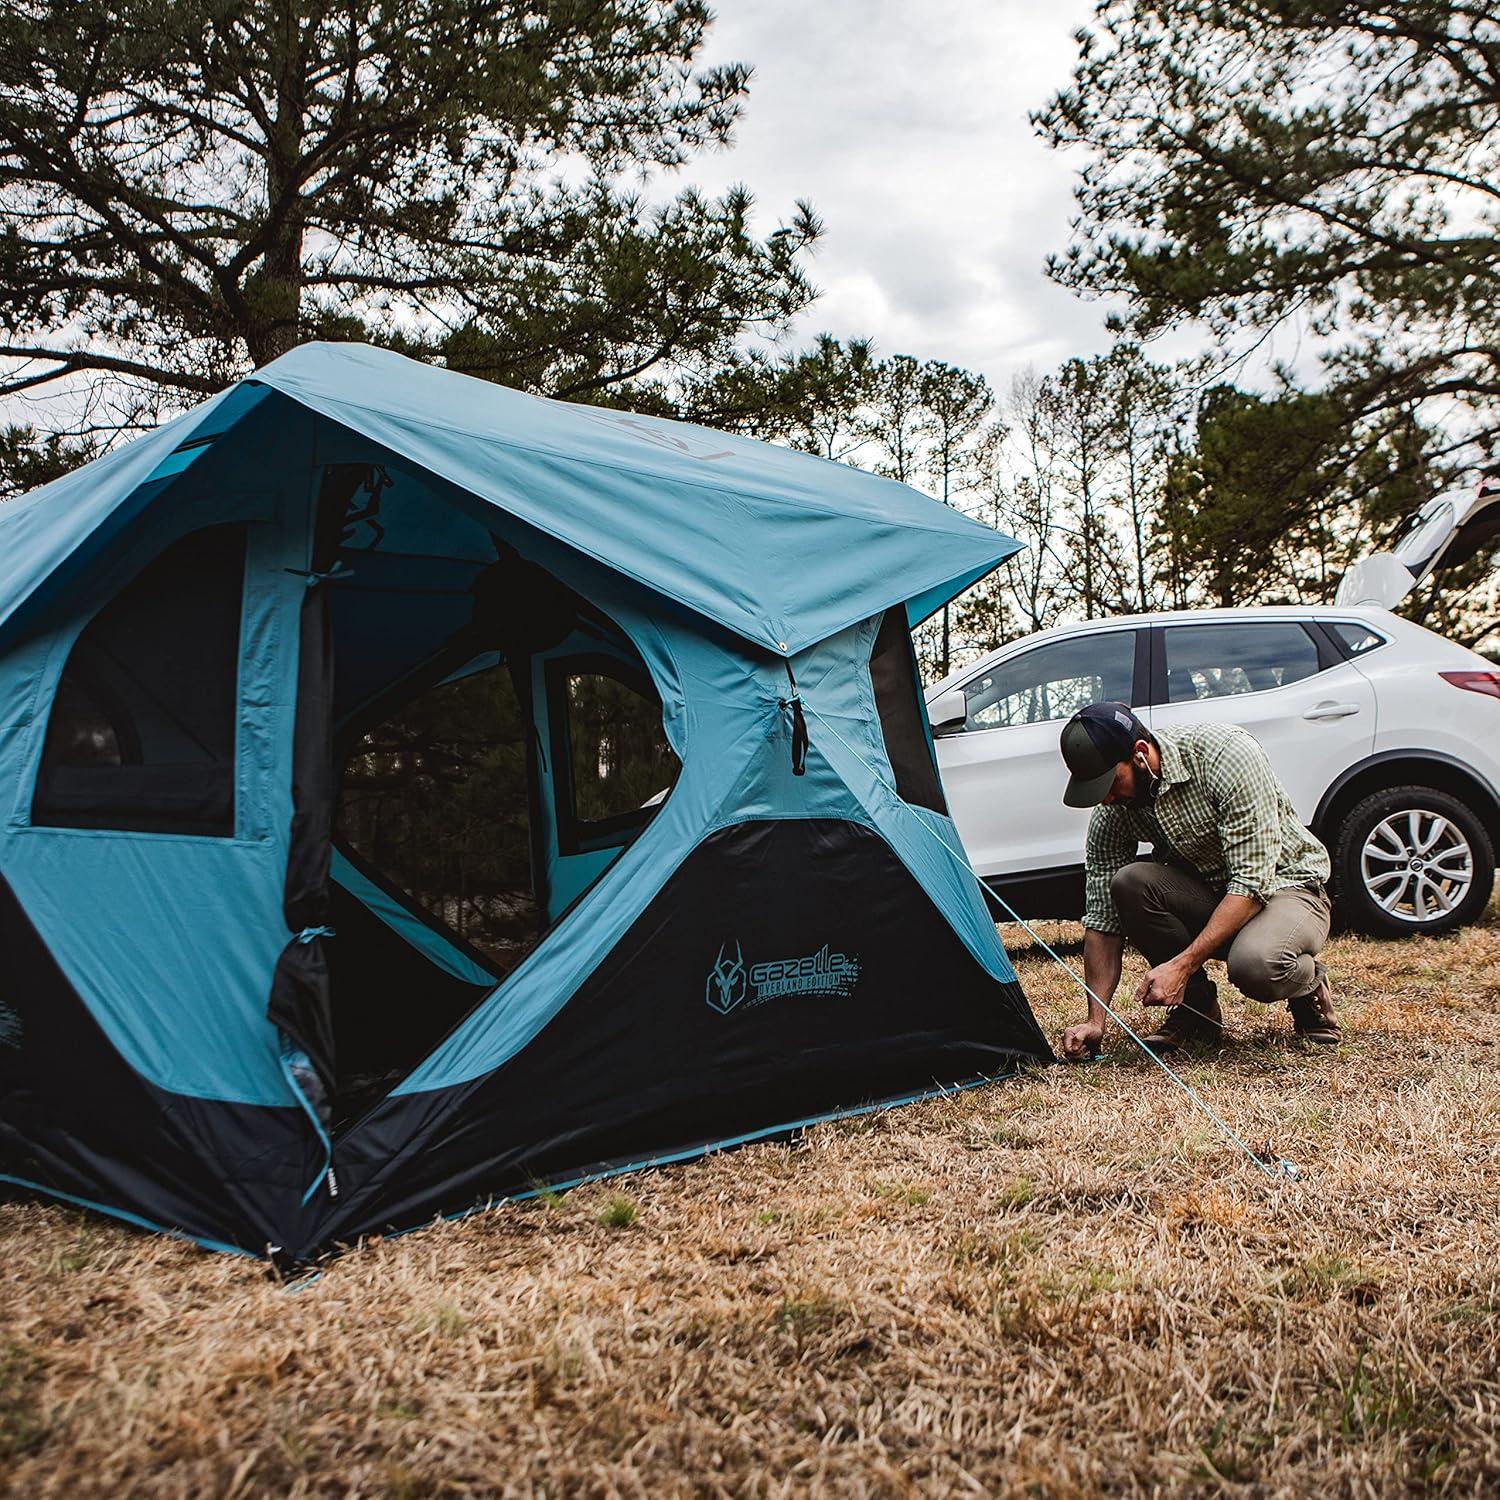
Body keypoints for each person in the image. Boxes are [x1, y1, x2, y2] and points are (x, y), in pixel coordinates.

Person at [1056, 701, 1339, 1060]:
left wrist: (1181, 966)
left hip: (1286, 885)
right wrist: (1096, 1020)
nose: (1107, 799)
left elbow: (1252, 882)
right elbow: (1102, 920)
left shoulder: (1225, 755)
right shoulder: (1114, 809)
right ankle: (1196, 1013)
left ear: (1140, 753)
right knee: (1130, 882)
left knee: (1255, 966)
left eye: (1110, 783)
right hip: (1215, 893)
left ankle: (1307, 985)